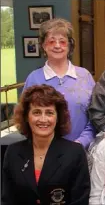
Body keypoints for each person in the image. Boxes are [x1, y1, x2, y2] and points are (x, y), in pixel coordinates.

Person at [2, 84, 90, 204]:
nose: (43, 119)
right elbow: (7, 200)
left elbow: (80, 201)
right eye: (37, 112)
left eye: (49, 113)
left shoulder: (75, 153)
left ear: (58, 117)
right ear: (26, 117)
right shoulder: (12, 152)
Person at [23, 18, 95, 149]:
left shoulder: (85, 76)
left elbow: (95, 115)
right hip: (45, 153)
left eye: (62, 41)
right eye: (51, 41)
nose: (57, 45)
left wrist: (80, 143)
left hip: (82, 151)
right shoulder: (34, 78)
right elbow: (25, 120)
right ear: (44, 46)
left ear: (69, 46)